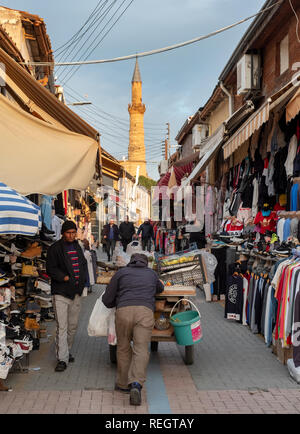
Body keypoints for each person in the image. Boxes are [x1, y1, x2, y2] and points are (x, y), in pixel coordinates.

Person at [102, 253, 164, 406]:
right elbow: (160, 288)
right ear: (145, 263)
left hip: (123, 312)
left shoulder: (121, 273)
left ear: (131, 262)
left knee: (123, 348)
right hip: (145, 312)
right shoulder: (151, 273)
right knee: (141, 349)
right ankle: (136, 384)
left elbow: (107, 299)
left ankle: (123, 384)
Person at [46, 220, 88, 372]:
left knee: (72, 326)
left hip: (76, 292)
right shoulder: (55, 249)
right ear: (63, 233)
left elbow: (83, 265)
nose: (71, 235)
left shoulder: (78, 247)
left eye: (73, 233)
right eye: (68, 233)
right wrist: (64, 277)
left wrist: (84, 283)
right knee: (62, 327)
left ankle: (66, 350)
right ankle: (62, 358)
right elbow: (50, 268)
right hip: (61, 293)